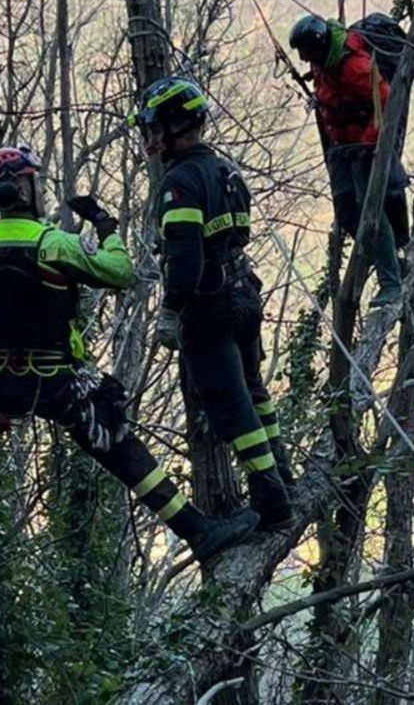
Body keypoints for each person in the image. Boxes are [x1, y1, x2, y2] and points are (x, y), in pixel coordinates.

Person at [0, 144, 258, 570]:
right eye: (32, 183)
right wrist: (105, 225)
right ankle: (198, 531)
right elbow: (119, 272)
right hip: (57, 383)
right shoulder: (54, 244)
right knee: (120, 446)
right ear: (17, 191)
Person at [130, 75, 295, 529]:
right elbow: (238, 234)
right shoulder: (225, 171)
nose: (149, 138)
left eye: (152, 127)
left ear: (172, 125)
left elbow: (183, 259)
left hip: (210, 308)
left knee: (230, 406)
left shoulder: (179, 182)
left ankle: (272, 504)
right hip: (245, 294)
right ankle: (284, 478)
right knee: (256, 393)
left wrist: (169, 311)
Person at [289, 12, 405, 307]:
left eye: (305, 52)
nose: (303, 59)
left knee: (371, 214)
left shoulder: (355, 66)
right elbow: (329, 88)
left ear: (319, 45)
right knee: (348, 212)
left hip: (363, 147)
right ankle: (388, 260)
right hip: (340, 146)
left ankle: (391, 282)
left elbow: (386, 99)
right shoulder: (322, 63)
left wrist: (368, 141)